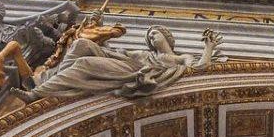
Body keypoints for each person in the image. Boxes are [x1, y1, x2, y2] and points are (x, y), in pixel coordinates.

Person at [15, 25, 225, 100]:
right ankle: (45, 79)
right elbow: (115, 54)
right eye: (149, 36)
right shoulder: (142, 53)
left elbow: (198, 68)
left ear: (168, 37)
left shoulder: (180, 58)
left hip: (135, 72)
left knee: (83, 64)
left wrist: (209, 47)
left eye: (156, 34)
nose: (152, 38)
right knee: (81, 45)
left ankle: (37, 93)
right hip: (125, 65)